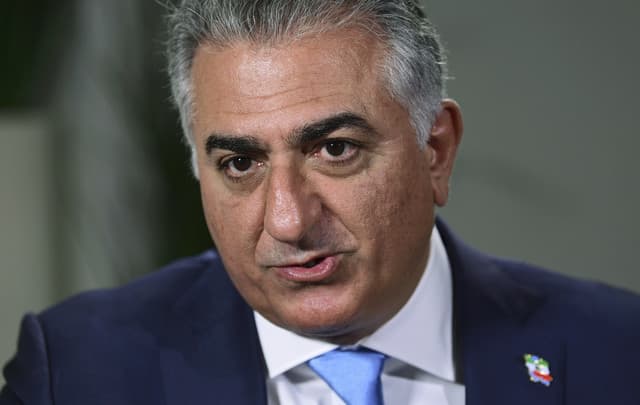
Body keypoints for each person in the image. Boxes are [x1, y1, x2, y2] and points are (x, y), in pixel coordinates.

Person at [2, 1, 639, 404]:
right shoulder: (77, 372)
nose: (287, 220)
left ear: (435, 150)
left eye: (335, 150)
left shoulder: (619, 352)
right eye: (241, 164)